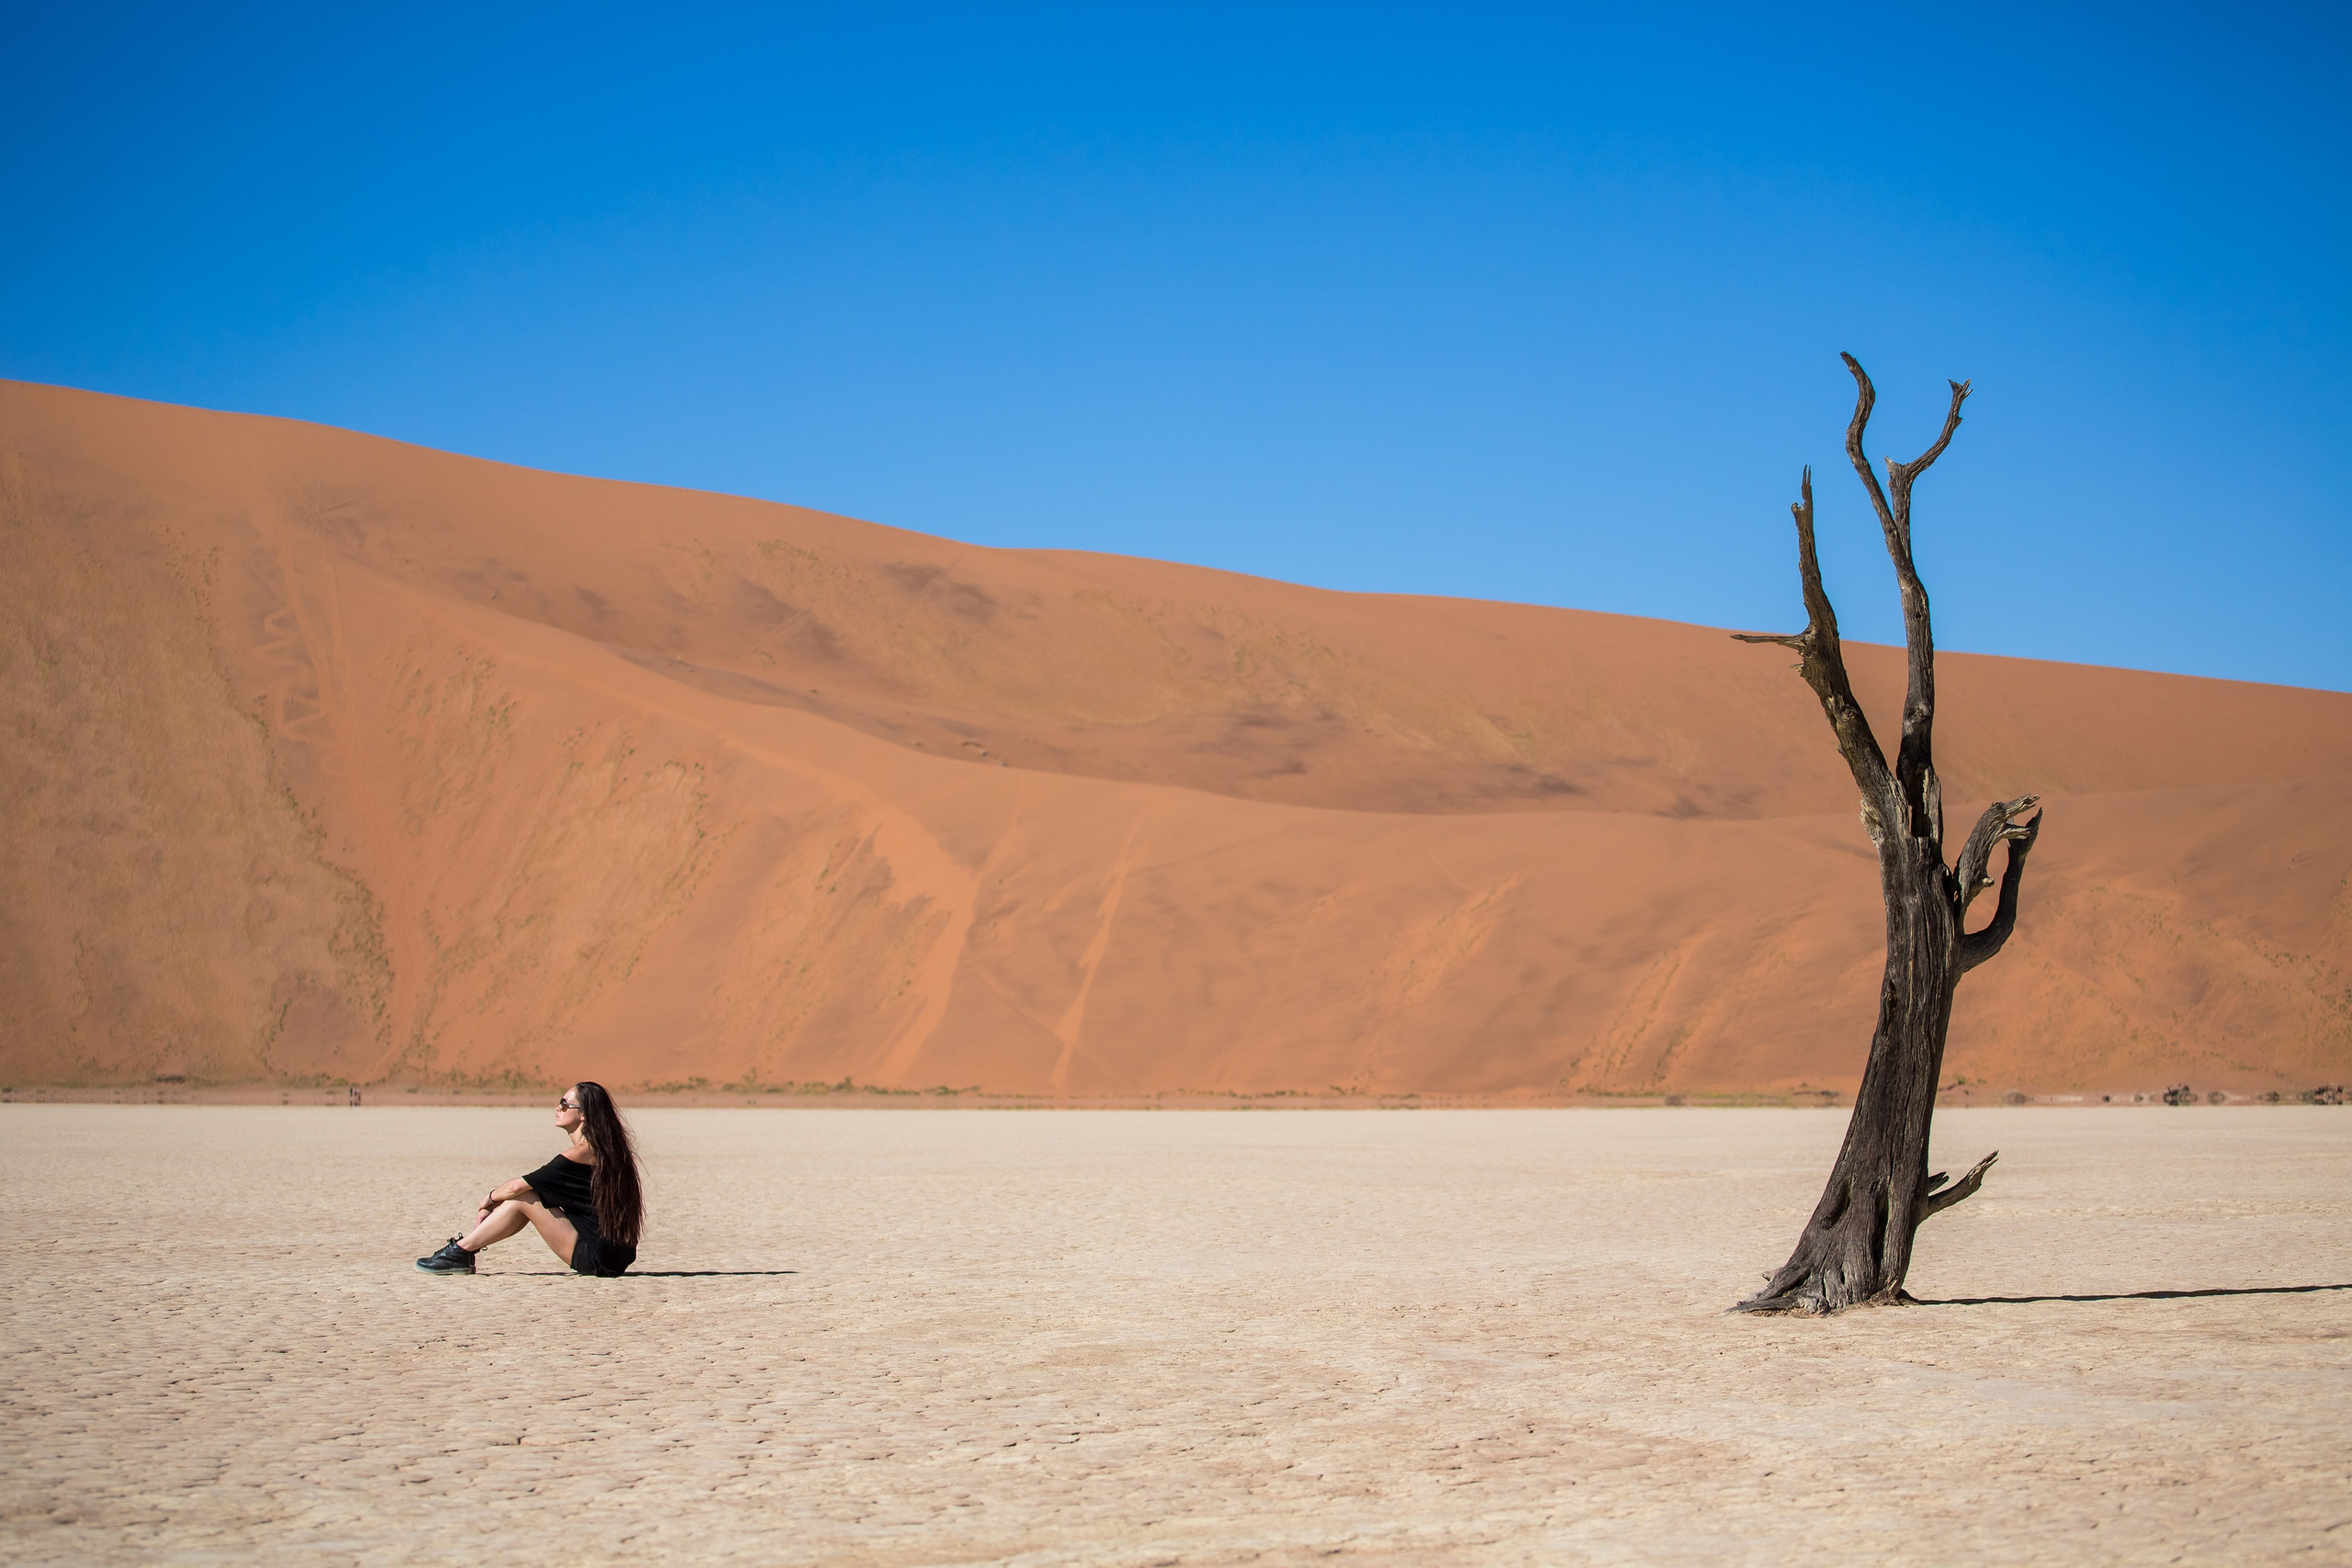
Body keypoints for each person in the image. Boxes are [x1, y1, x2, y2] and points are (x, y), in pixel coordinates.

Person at [415, 1081, 642, 1277]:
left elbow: (518, 1186)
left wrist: (488, 1200)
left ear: (584, 1114)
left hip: (595, 1258)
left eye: (565, 1104)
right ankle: (462, 1252)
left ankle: (460, 1251)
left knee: (523, 1198)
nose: (558, 1108)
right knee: (524, 1197)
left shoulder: (579, 1154)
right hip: (615, 1255)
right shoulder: (607, 1150)